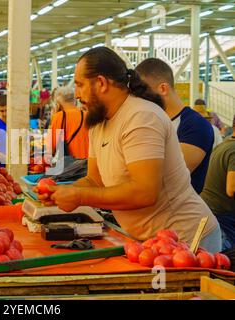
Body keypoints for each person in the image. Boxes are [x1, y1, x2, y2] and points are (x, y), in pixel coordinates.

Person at [43, 47, 220, 252]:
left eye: (80, 85)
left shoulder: (141, 117)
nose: (77, 94)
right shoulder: (99, 123)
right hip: (151, 241)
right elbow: (94, 180)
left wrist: (79, 197)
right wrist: (62, 192)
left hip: (188, 239)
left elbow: (144, 192)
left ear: (101, 83)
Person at [135, 59, 214, 194]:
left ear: (163, 89)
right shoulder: (148, 121)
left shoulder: (196, 125)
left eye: (143, 93)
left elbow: (170, 176)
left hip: (183, 212)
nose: (140, 99)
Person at [201, 115, 235, 250]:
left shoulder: (224, 145)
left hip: (210, 213)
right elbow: (232, 188)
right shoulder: (233, 150)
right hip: (223, 218)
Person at [49, 85, 89, 159]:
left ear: (58, 102)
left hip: (70, 165)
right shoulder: (86, 115)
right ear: (75, 100)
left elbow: (52, 147)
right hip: (88, 163)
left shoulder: (59, 117)